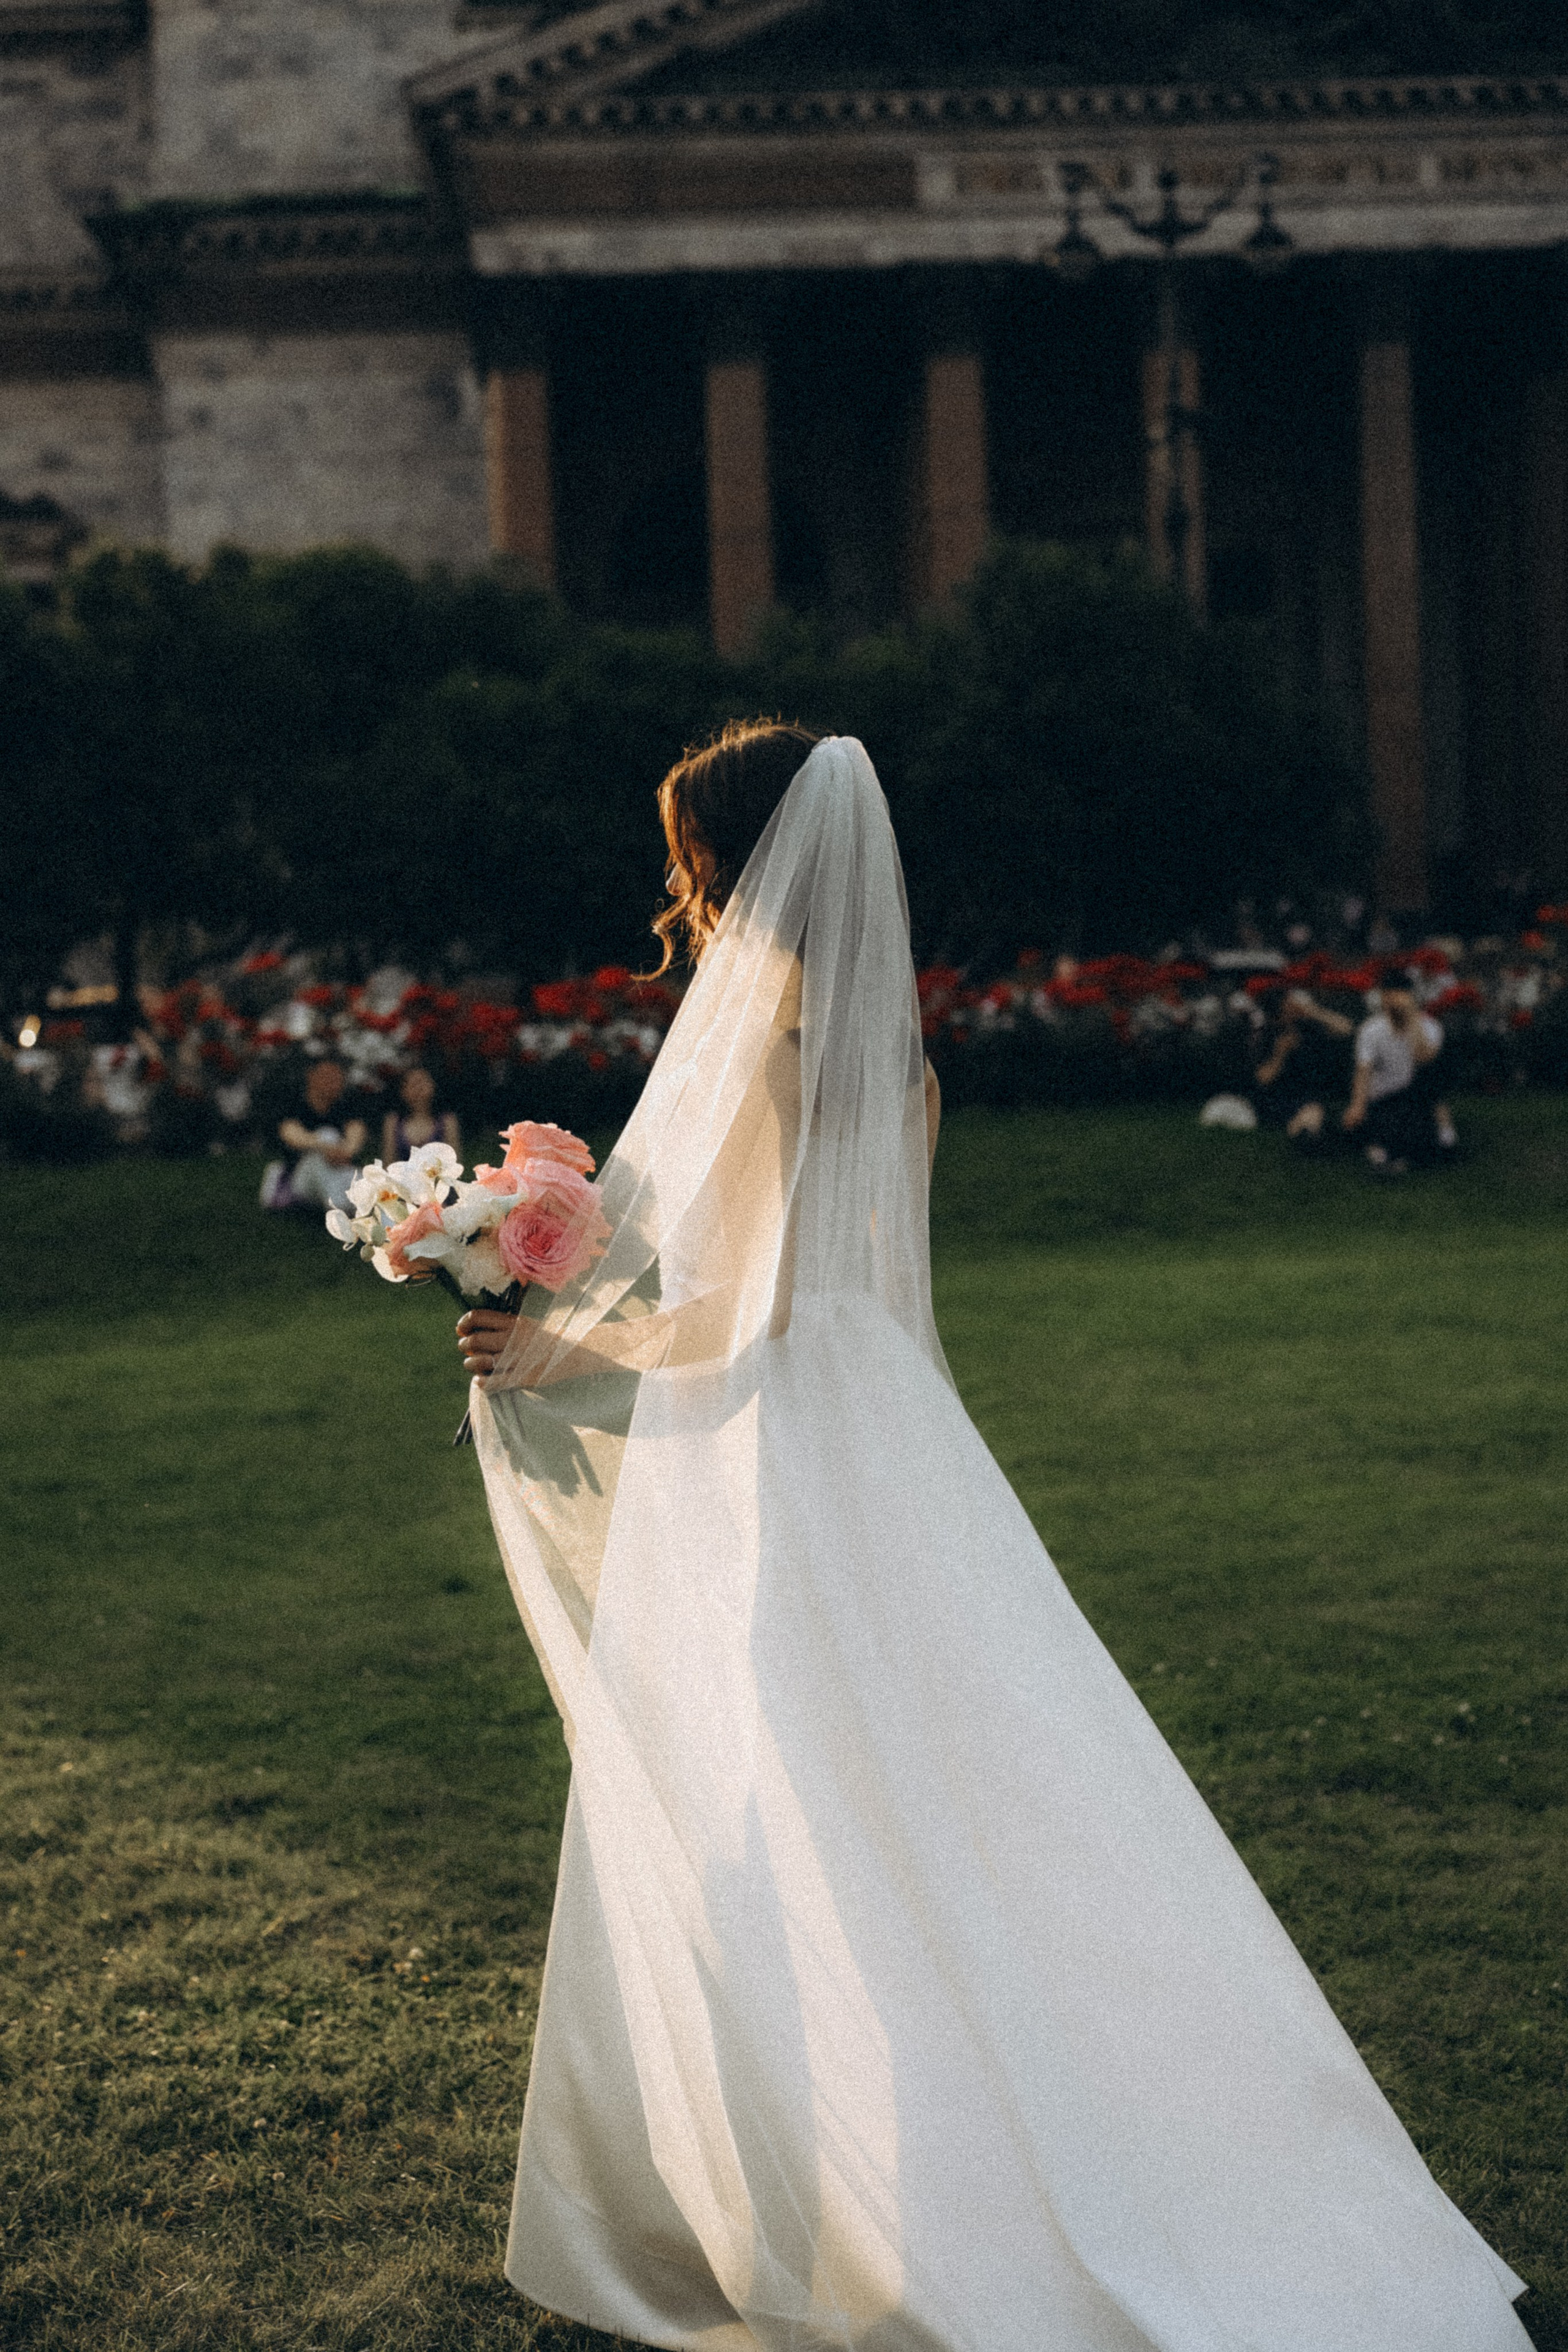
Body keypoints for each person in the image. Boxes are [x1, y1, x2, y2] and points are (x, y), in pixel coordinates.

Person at [454, 725, 1528, 2351]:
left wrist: (559, 1350)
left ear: (733, 868)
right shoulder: (899, 1055)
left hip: (801, 1436)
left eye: (691, 861)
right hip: (894, 1433)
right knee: (950, 1791)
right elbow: (838, 1297)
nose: (682, 889)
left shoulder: (773, 1053)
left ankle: (880, 2207)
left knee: (788, 1813)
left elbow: (758, 1315)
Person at [1343, 974, 1445, 1172]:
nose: (1394, 1002)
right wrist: (1357, 1105)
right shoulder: (1371, 1030)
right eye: (1389, 996)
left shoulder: (1430, 1027)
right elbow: (1363, 1071)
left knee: (1424, 1137)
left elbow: (1425, 1058)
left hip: (1414, 1096)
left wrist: (1412, 1018)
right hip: (1381, 1099)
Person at [1251, 985, 1355, 1146]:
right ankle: (1307, 1137)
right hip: (1278, 1098)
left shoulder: (1306, 1025)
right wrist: (1280, 1055)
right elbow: (1263, 1079)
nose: (1295, 1004)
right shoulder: (1267, 1035)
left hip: (1309, 1093)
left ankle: (1307, 1134)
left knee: (1315, 1111)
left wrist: (1314, 1012)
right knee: (1312, 1112)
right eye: (1289, 1002)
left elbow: (1345, 1028)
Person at [261, 1058, 366, 1212]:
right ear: (311, 1076)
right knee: (327, 1135)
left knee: (357, 1175)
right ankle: (341, 1206)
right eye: (327, 1076)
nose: (333, 1082)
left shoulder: (346, 1107)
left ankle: (342, 1204)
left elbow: (356, 1135)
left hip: (340, 1168)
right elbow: (292, 1136)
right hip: (303, 1178)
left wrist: (344, 1153)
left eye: (337, 1078)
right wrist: (327, 1148)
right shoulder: (294, 1104)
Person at [381, 1063, 460, 1166]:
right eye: (413, 1085)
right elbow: (388, 1163)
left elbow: (454, 1163)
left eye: (422, 1083)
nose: (418, 1089)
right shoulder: (393, 1122)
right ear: (403, 1091)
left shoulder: (447, 1121)